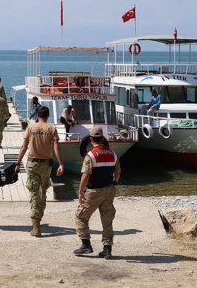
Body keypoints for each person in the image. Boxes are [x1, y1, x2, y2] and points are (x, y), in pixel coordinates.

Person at [15, 106, 64, 237]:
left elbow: (24, 147)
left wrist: (18, 163)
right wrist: (61, 164)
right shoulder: (51, 128)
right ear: (47, 116)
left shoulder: (31, 128)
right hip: (46, 165)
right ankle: (38, 219)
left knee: (34, 193)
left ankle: (36, 225)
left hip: (33, 163)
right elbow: (56, 147)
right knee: (43, 192)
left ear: (37, 115)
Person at [73, 126, 121, 259]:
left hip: (94, 191)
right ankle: (107, 249)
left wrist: (81, 192)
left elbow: (85, 175)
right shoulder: (113, 154)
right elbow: (117, 172)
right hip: (109, 190)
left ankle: (86, 245)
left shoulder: (90, 155)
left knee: (81, 216)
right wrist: (114, 183)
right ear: (103, 138)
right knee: (107, 220)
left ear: (90, 139)